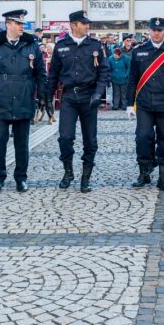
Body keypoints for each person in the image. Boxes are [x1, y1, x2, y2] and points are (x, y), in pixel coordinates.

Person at [0, 9, 47, 193]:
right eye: (18, 23)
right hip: (0, 102)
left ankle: (21, 178)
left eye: (23, 24)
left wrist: (42, 97)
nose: (21, 27)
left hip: (24, 100)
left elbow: (41, 73)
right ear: (8, 24)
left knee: (22, 144)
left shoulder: (31, 45)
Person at [46, 11, 110, 192]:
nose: (88, 26)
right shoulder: (61, 46)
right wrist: (48, 99)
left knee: (90, 140)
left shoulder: (95, 45)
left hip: (89, 97)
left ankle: (85, 177)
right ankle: (68, 172)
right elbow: (53, 76)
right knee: (65, 138)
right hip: (69, 98)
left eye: (87, 23)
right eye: (84, 23)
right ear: (73, 25)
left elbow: (104, 72)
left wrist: (98, 93)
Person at [127, 18, 164, 190]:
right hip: (145, 104)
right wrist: (129, 104)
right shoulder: (138, 52)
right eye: (154, 30)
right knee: (143, 138)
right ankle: (144, 172)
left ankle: (163, 176)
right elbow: (132, 79)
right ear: (149, 31)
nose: (156, 33)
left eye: (160, 30)